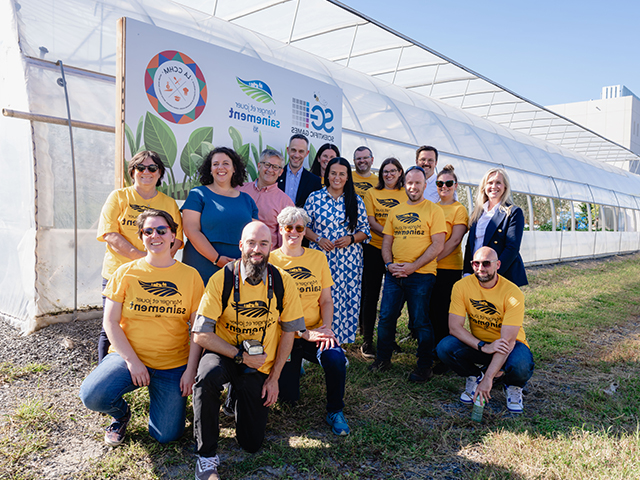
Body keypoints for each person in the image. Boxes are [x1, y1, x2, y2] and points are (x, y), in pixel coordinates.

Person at [80, 209, 204, 446]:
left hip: (172, 364)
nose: (154, 235)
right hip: (128, 357)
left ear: (173, 237)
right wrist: (133, 361)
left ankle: (164, 404)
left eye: (161, 230)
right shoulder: (125, 272)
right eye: (148, 231)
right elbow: (110, 322)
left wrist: (190, 370)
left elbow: (197, 329)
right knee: (92, 395)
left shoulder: (191, 276)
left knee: (166, 436)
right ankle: (121, 415)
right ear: (141, 236)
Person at [191, 221, 304, 480]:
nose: (257, 249)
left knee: (251, 444)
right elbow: (200, 334)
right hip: (226, 352)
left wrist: (274, 378)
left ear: (271, 247)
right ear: (241, 246)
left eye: (263, 243)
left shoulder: (282, 281)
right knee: (206, 378)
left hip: (259, 362)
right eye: (251, 243)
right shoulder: (223, 278)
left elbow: (289, 332)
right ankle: (206, 457)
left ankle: (236, 396)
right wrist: (239, 355)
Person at [96, 150, 183, 362]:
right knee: (111, 324)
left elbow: (177, 239)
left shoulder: (169, 203)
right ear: (132, 171)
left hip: (154, 276)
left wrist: (156, 263)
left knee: (148, 322)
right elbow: (110, 234)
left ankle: (148, 370)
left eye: (152, 168)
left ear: (159, 173)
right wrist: (143, 258)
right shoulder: (118, 197)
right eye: (140, 168)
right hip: (117, 274)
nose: (146, 172)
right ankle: (104, 373)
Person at [270, 207, 350, 436]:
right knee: (287, 399)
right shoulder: (271, 260)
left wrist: (326, 329)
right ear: (280, 229)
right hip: (284, 335)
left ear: (305, 231)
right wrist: (303, 333)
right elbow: (271, 309)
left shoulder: (317, 257)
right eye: (288, 227)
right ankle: (295, 364)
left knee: (335, 358)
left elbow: (326, 300)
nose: (293, 232)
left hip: (315, 330)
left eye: (299, 228)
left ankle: (335, 410)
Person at [369, 166, 446, 382]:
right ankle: (382, 359)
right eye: (409, 183)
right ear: (405, 184)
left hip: (421, 275)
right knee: (386, 318)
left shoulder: (434, 210)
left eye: (418, 183)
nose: (413, 187)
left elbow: (437, 245)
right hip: (394, 274)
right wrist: (389, 264)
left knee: (420, 321)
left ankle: (424, 366)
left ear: (424, 185)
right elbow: (387, 242)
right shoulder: (396, 211)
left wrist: (414, 266)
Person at [436, 247, 534, 413]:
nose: (481, 268)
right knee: (445, 347)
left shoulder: (512, 293)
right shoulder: (461, 286)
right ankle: (475, 376)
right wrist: (483, 346)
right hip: (482, 345)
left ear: (498, 265)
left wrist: (489, 379)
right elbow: (454, 327)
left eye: (486, 263)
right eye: (476, 263)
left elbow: (507, 341)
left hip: (511, 345)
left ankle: (513, 386)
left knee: (521, 365)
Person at [304, 157, 371, 344]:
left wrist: (350, 239)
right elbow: (303, 227)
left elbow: (365, 231)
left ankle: (338, 343)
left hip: (348, 261)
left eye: (342, 174)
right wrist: (318, 239)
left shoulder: (355, 201)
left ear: (348, 177)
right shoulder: (314, 198)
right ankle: (316, 340)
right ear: (326, 174)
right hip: (321, 258)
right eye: (333, 173)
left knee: (344, 300)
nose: (337, 177)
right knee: (319, 298)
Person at [182, 147, 259, 284]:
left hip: (237, 268)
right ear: (210, 169)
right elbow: (190, 230)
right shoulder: (198, 194)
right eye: (215, 164)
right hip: (201, 265)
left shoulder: (247, 200)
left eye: (225, 163)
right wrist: (216, 259)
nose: (220, 167)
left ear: (234, 168)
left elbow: (254, 237)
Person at [359, 157, 407, 358]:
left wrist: (394, 238)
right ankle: (367, 340)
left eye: (393, 171)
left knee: (393, 298)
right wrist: (390, 234)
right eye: (385, 171)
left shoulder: (407, 194)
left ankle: (387, 339)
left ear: (400, 173)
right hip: (373, 249)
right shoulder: (372, 193)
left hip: (398, 252)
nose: (389, 174)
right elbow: (370, 221)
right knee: (370, 296)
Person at [429, 165, 468, 373]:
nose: (444, 187)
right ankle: (435, 350)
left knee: (444, 311)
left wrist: (432, 259)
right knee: (431, 310)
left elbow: (454, 241)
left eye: (448, 183)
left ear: (455, 185)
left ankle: (445, 357)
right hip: (430, 267)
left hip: (448, 268)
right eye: (440, 183)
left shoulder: (459, 209)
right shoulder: (432, 207)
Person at [463, 167, 528, 286]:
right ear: (484, 187)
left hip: (502, 275)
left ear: (505, 187)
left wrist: (493, 274)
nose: (494, 186)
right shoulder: (477, 213)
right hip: (478, 272)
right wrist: (467, 272)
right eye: (490, 182)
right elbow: (470, 245)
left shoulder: (513, 212)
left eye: (498, 183)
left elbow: (512, 248)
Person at [238, 149, 294, 249]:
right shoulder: (239, 190)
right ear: (259, 166)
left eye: (275, 167)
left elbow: (285, 243)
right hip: (233, 255)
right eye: (267, 165)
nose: (270, 170)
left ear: (281, 172)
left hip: (264, 259)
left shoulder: (285, 202)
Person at [278, 134, 322, 208]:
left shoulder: (315, 181)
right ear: (288, 150)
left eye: (301, 151)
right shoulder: (275, 175)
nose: (296, 155)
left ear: (306, 153)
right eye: (293, 150)